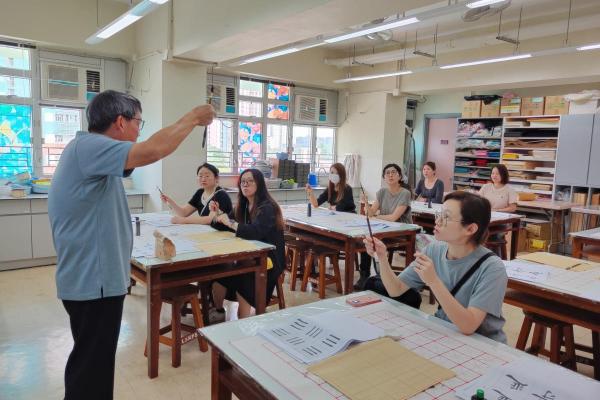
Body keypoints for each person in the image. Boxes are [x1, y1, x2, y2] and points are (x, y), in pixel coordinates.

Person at [48, 90, 215, 400]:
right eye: (139, 122)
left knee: (90, 365)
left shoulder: (90, 152)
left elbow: (142, 154)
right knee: (91, 374)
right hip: (93, 283)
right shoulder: (90, 146)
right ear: (120, 122)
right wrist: (193, 117)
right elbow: (152, 150)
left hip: (92, 281)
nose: (140, 131)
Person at [363, 191, 508, 343]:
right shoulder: (434, 250)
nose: (437, 221)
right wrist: (382, 257)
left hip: (483, 342)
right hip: (446, 331)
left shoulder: (492, 268)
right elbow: (395, 289)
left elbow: (468, 326)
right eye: (439, 214)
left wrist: (433, 281)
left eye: (446, 217)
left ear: (470, 229)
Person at [211, 169, 285, 319]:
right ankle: (218, 312)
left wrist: (230, 222)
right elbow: (223, 225)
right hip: (248, 256)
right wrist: (217, 214)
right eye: (243, 181)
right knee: (218, 274)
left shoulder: (267, 207)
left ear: (259, 184)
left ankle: (243, 322)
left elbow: (254, 232)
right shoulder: (243, 205)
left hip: (268, 260)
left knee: (243, 280)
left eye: (250, 181)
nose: (245, 184)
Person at [355, 163, 412, 290]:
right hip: (385, 230)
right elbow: (370, 214)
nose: (390, 175)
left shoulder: (405, 193)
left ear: (400, 176)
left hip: (402, 232)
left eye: (393, 172)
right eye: (387, 173)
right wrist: (365, 202)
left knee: (373, 241)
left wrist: (376, 216)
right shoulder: (382, 192)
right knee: (367, 239)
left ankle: (381, 276)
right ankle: (365, 275)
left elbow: (393, 218)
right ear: (384, 177)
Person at [160, 162, 232, 225]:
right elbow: (184, 213)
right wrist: (169, 201)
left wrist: (183, 220)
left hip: (223, 232)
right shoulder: (200, 192)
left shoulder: (221, 195)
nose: (203, 179)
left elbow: (210, 219)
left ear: (216, 178)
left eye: (207, 176)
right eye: (200, 176)